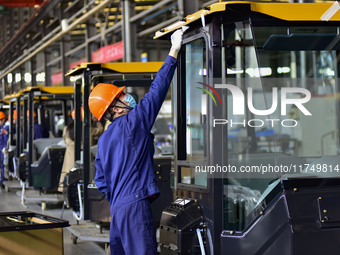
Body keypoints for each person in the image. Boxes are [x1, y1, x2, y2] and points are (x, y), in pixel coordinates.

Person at [88, 29, 183, 254]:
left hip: (117, 209)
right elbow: (157, 92)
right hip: (134, 205)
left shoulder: (103, 140)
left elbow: (101, 181)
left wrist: (121, 197)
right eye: (120, 96)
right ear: (114, 108)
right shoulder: (133, 122)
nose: (126, 96)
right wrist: (174, 51)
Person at [58, 107, 103, 192]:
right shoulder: (88, 129)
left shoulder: (67, 129)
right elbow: (100, 131)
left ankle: (66, 191)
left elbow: (66, 140)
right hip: (85, 156)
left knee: (69, 175)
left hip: (70, 156)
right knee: (84, 177)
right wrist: (96, 121)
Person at [0, 111, 9, 188]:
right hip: (2, 150)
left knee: (3, 166)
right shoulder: (3, 128)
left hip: (2, 151)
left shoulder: (5, 128)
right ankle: (2, 180)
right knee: (3, 166)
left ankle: (3, 180)